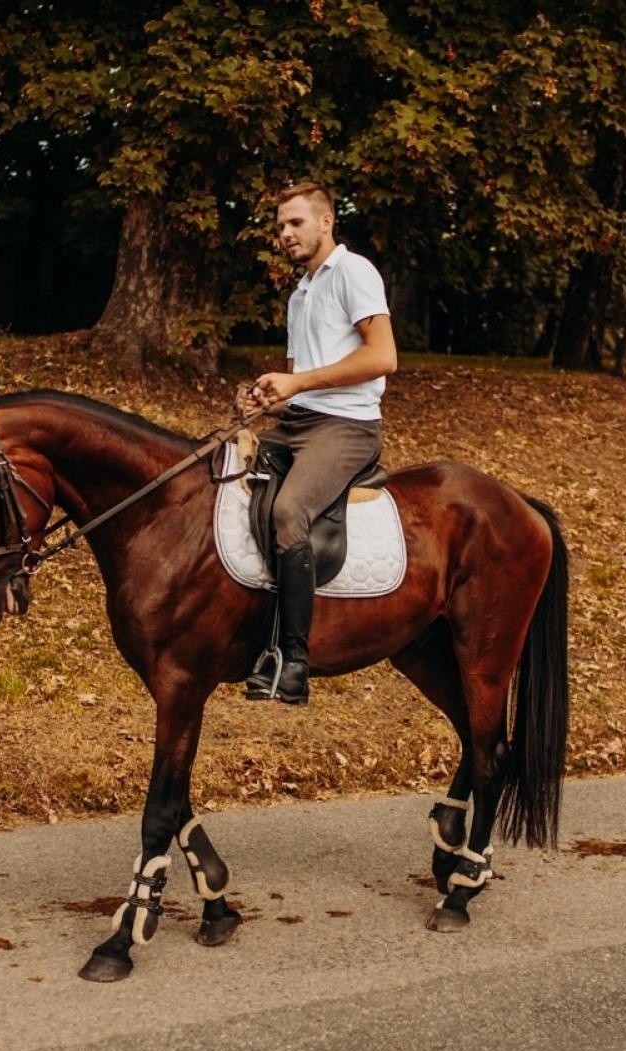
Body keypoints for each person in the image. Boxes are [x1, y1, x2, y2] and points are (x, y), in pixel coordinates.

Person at [239, 180, 398, 704]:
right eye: (280, 226)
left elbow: (382, 358)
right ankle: (251, 641)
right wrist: (267, 400)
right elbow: (296, 382)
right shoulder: (299, 295)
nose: (285, 233)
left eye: (296, 223)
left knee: (288, 512)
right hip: (298, 422)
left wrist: (298, 384)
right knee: (228, 490)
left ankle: (294, 660)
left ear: (326, 222)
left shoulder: (352, 273)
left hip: (347, 428)